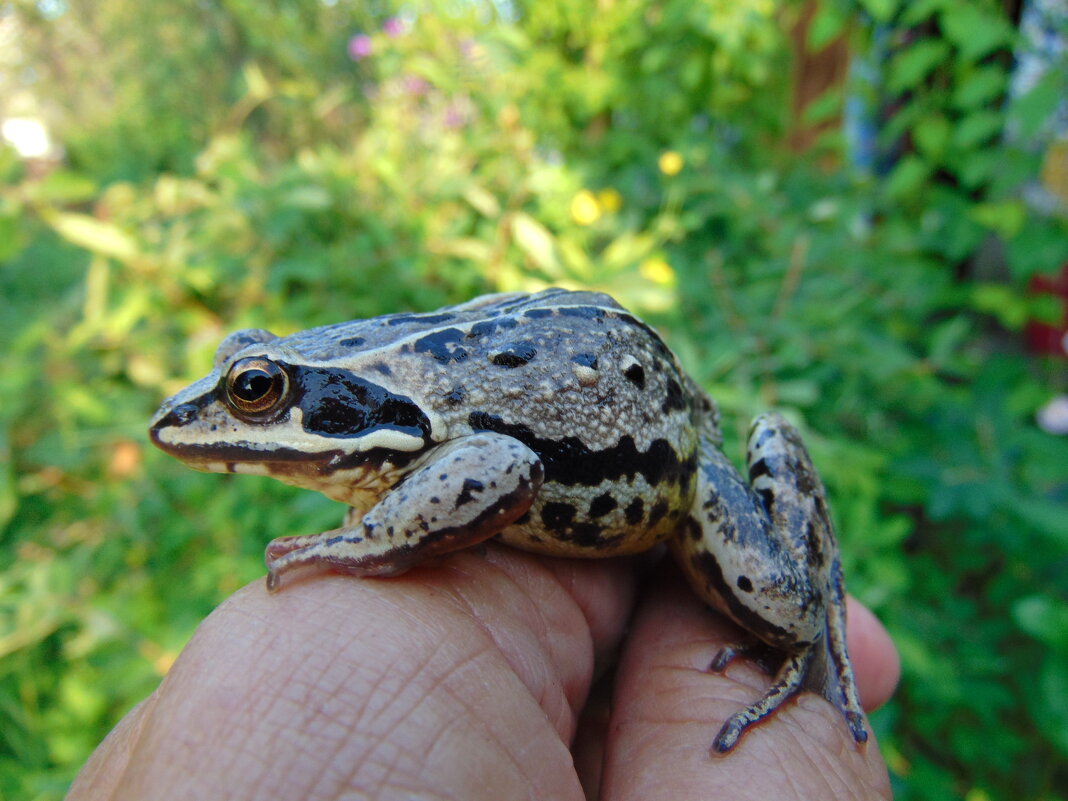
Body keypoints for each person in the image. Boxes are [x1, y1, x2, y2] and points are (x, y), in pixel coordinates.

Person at [67, 545, 899, 800]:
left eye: (256, 392)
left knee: (791, 610)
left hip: (670, 462)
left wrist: (373, 541)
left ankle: (815, 616)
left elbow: (505, 469)